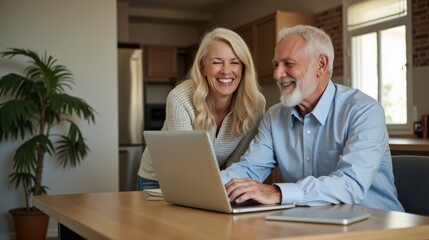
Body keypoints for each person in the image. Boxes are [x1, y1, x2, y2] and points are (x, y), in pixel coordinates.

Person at [220, 25, 404, 212]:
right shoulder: (274, 118)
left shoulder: (364, 111)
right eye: (276, 64)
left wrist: (278, 193)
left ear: (321, 65)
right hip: (312, 223)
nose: (277, 74)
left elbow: (351, 184)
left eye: (288, 64)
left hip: (376, 224)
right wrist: (207, 185)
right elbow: (249, 169)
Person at [137, 27, 266, 190]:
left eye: (234, 62)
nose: (226, 71)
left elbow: (239, 165)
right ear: (203, 67)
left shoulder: (255, 103)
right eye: (217, 62)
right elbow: (185, 164)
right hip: (158, 179)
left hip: (206, 180)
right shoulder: (180, 98)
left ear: (243, 67)